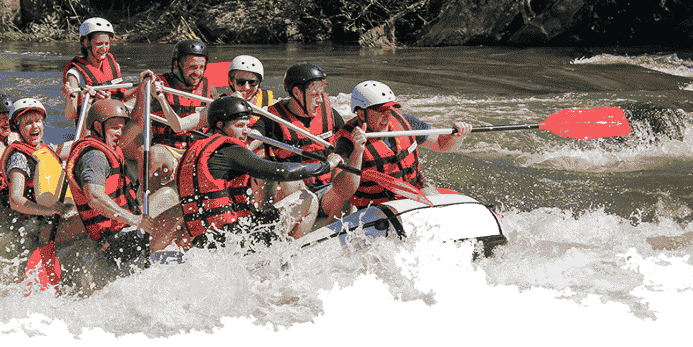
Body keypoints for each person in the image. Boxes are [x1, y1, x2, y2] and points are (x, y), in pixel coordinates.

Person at [173, 96, 345, 249]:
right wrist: (326, 166)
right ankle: (288, 256)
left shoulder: (192, 152)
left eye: (247, 125)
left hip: (205, 244)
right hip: (236, 242)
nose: (246, 131)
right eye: (240, 126)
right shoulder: (229, 150)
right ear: (220, 125)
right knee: (309, 199)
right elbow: (280, 172)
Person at [331, 80, 472, 212]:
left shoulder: (407, 123)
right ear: (362, 114)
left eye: (389, 110)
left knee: (431, 194)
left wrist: (458, 136)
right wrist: (357, 152)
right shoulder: (347, 140)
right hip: (375, 208)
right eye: (381, 111)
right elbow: (342, 192)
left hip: (413, 196)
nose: (387, 116)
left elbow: (442, 144)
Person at [64, 99, 159, 264]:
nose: (119, 133)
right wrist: (135, 220)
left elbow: (137, 123)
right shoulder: (95, 157)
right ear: (98, 127)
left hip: (120, 232)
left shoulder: (110, 150)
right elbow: (95, 197)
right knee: (182, 212)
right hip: (116, 241)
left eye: (121, 127)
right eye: (115, 127)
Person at [251, 63, 348, 221]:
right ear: (296, 92)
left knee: (347, 185)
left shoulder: (329, 113)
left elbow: (347, 144)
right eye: (315, 95)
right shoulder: (272, 120)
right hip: (295, 194)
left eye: (321, 94)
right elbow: (251, 139)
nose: (320, 100)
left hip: (326, 190)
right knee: (292, 182)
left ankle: (336, 231)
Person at [122, 38, 220, 193]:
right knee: (153, 154)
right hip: (168, 148)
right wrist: (143, 91)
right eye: (192, 67)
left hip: (198, 150)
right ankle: (149, 204)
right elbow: (134, 115)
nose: (198, 73)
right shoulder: (158, 85)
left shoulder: (210, 91)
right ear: (176, 65)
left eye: (202, 67)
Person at [0, 98, 70, 218]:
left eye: (38, 121)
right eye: (28, 123)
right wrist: (48, 210)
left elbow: (74, 147)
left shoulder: (45, 147)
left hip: (54, 210)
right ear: (17, 128)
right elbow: (15, 201)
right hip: (35, 220)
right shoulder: (19, 157)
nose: (35, 126)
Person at [60, 17, 130, 122]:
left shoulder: (115, 65)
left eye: (106, 44)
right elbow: (70, 116)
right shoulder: (74, 73)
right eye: (98, 44)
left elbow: (122, 94)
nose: (104, 48)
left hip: (116, 120)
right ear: (86, 43)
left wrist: (143, 87)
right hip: (92, 126)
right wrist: (72, 99)